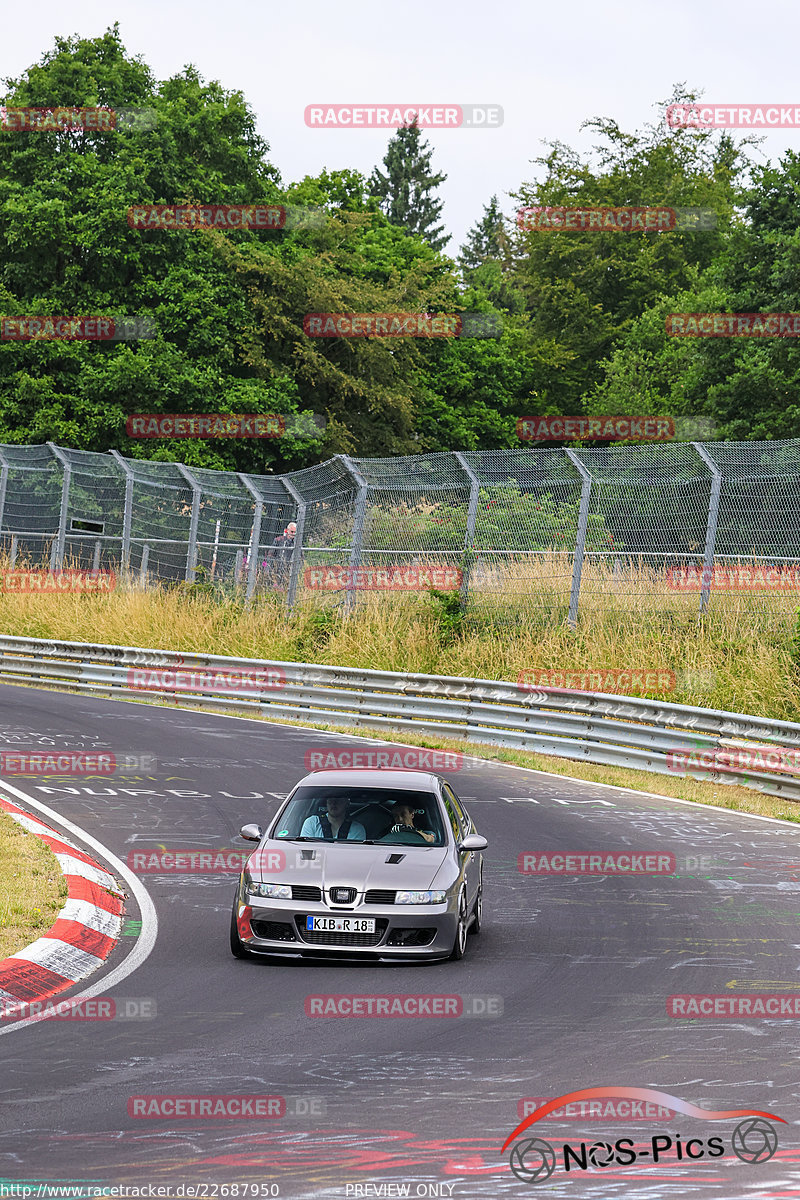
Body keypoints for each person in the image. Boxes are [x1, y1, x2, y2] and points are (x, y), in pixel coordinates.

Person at [300, 793, 366, 840]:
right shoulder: (312, 823)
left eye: (338, 800)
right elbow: (306, 849)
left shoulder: (357, 829)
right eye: (330, 800)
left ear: (347, 803)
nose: (334, 803)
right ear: (326, 803)